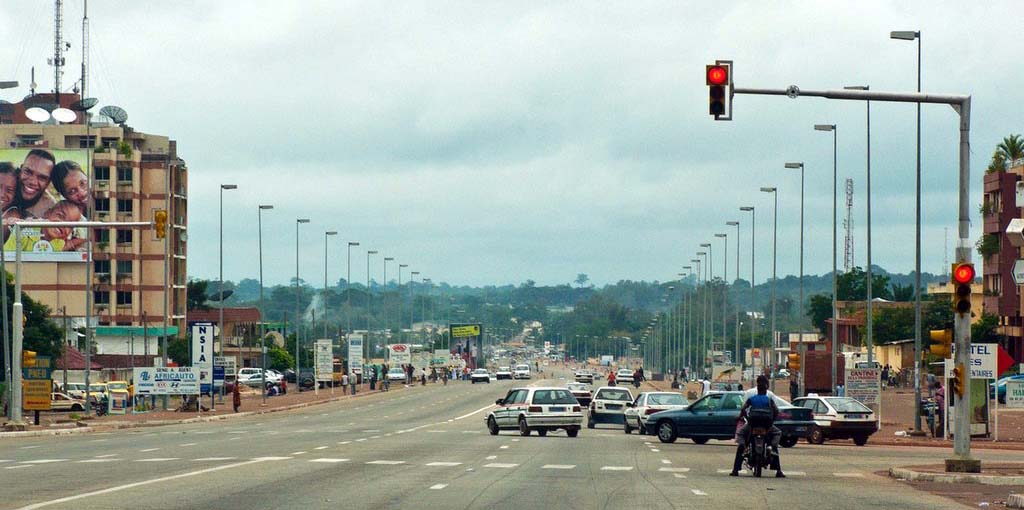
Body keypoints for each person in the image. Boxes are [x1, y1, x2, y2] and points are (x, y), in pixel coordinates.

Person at [732, 375, 785, 478]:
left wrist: (744, 418)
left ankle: (736, 469)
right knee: (775, 441)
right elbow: (776, 410)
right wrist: (771, 422)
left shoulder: (750, 394)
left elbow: (743, 409)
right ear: (766, 386)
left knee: (741, 435)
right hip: (766, 426)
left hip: (752, 424)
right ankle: (778, 470)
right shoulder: (770, 396)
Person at [14, 149, 57, 218]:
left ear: (48, 183)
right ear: (21, 170)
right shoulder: (5, 186)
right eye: (28, 172)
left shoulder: (50, 209)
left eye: (42, 178)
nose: (32, 182)